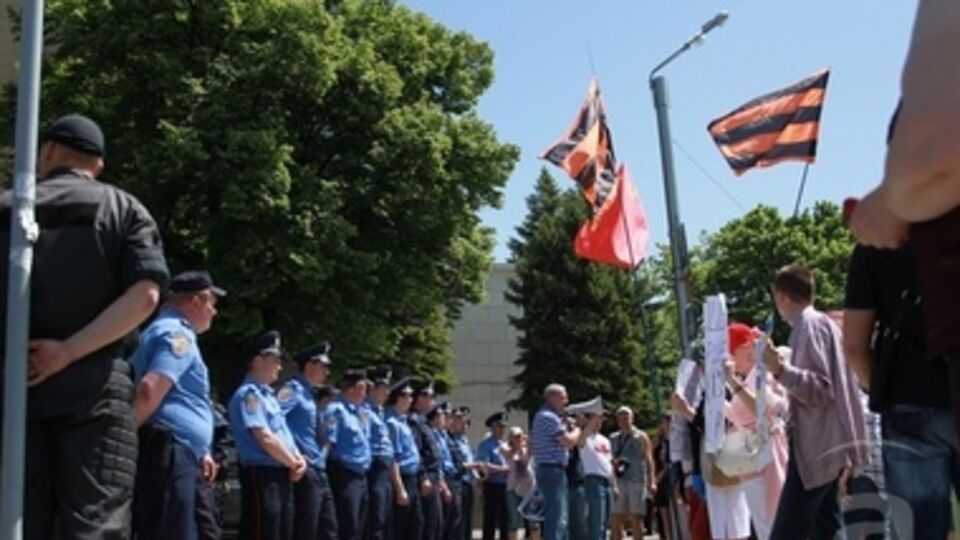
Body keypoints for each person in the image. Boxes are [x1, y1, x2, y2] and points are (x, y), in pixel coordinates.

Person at [0, 114, 169, 539]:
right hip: (95, 388)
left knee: (15, 517)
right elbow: (146, 295)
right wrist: (69, 351)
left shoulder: (7, 209)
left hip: (14, 386)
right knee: (97, 523)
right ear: (98, 165)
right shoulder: (123, 209)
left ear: (50, 151)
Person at [845, 1, 960, 449]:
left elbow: (934, 157)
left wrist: (892, 202)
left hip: (910, 401)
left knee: (921, 522)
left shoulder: (875, 249)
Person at [843, 242, 958, 539]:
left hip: (909, 399)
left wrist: (883, 389)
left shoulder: (879, 236)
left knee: (919, 530)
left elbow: (855, 347)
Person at [764, 265, 868, 540]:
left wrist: (780, 370)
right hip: (825, 446)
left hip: (816, 448)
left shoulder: (809, 326)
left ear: (782, 296)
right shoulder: (818, 324)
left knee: (788, 532)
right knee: (828, 528)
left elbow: (821, 389)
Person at [131, 270, 224, 539]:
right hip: (168, 452)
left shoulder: (170, 331)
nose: (213, 313)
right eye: (211, 305)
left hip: (182, 452)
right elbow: (149, 390)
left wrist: (201, 449)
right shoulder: (176, 335)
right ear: (195, 301)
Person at [229, 330, 307, 540]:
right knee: (263, 530)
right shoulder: (249, 395)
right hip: (262, 473)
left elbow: (283, 433)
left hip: (281, 471)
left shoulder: (269, 396)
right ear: (257, 361)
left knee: (281, 530)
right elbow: (263, 436)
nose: (279, 367)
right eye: (274, 360)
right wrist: (293, 462)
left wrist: (298, 458)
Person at [723, 323, 789, 540]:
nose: (729, 358)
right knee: (765, 526)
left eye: (732, 351)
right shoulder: (751, 375)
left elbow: (761, 409)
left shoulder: (760, 374)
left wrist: (732, 383)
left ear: (745, 348)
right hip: (753, 457)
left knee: (771, 525)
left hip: (766, 454)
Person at [279, 342, 338, 540]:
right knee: (306, 528)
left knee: (328, 528)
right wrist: (292, 453)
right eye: (324, 366)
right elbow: (274, 419)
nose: (327, 372)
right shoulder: (292, 390)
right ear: (310, 365)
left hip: (319, 468)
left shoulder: (310, 394)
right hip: (305, 468)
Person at [327, 369, 374, 540]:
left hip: (361, 475)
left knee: (358, 526)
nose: (365, 393)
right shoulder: (336, 410)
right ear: (352, 389)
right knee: (347, 523)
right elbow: (328, 443)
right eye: (363, 388)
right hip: (344, 474)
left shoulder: (360, 413)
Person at [532, 384, 582, 540]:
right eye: (563, 397)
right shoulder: (548, 417)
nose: (566, 401)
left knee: (560, 517)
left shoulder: (549, 417)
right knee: (555, 517)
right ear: (552, 397)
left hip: (553, 471)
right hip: (551, 470)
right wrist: (578, 429)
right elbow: (568, 442)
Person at [409, 379, 448, 540]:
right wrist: (424, 477)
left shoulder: (423, 421)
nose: (432, 399)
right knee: (428, 526)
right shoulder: (413, 421)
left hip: (433, 478)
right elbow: (416, 452)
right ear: (419, 398)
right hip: (425, 479)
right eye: (428, 395)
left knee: (437, 524)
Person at [609, 406, 655, 540]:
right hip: (619, 480)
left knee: (636, 516)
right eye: (620, 418)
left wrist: (651, 480)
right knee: (616, 517)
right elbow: (610, 459)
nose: (623, 420)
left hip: (637, 478)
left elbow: (648, 459)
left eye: (626, 417)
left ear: (632, 418)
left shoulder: (641, 436)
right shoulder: (613, 438)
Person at [386, 378, 424, 540]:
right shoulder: (391, 423)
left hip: (413, 478)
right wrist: (400, 488)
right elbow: (393, 457)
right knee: (401, 527)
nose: (411, 399)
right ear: (399, 397)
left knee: (416, 524)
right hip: (402, 478)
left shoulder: (403, 421)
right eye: (408, 395)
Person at [364, 366, 397, 540]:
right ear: (373, 388)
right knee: (374, 519)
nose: (387, 392)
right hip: (374, 467)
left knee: (384, 518)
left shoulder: (380, 412)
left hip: (385, 469)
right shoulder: (365, 412)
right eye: (384, 388)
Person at [579, 412, 616, 540]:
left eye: (601, 420)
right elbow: (580, 441)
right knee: (596, 520)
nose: (600, 422)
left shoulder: (605, 440)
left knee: (605, 521)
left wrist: (614, 484)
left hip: (606, 481)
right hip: (593, 480)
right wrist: (591, 421)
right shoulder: (584, 436)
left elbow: (609, 463)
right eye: (598, 419)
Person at [448, 407, 481, 540]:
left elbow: (469, 460)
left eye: (463, 419)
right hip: (457, 482)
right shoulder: (450, 439)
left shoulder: (464, 440)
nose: (462, 422)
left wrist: (477, 476)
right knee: (457, 522)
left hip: (468, 482)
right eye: (458, 418)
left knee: (467, 520)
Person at [478, 411, 511, 540]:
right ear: (492, 427)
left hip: (506, 486)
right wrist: (503, 470)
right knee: (490, 519)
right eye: (499, 426)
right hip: (492, 485)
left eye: (504, 427)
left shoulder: (505, 444)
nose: (502, 429)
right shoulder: (486, 444)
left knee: (506, 519)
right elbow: (484, 465)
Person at [504, 426, 537, 540]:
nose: (518, 439)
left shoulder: (527, 450)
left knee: (533, 521)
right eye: (516, 437)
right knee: (514, 521)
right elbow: (509, 454)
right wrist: (516, 446)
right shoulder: (507, 449)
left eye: (520, 436)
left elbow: (530, 452)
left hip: (529, 489)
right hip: (513, 488)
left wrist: (527, 442)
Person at [566, 414, 588, 540]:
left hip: (578, 483)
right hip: (564, 484)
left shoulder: (579, 440)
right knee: (566, 522)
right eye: (568, 425)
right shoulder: (561, 439)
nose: (571, 427)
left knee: (580, 521)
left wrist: (582, 425)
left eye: (572, 425)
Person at [652, 414, 673, 540]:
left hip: (670, 477)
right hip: (660, 480)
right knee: (663, 512)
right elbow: (652, 459)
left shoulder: (675, 439)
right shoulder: (658, 441)